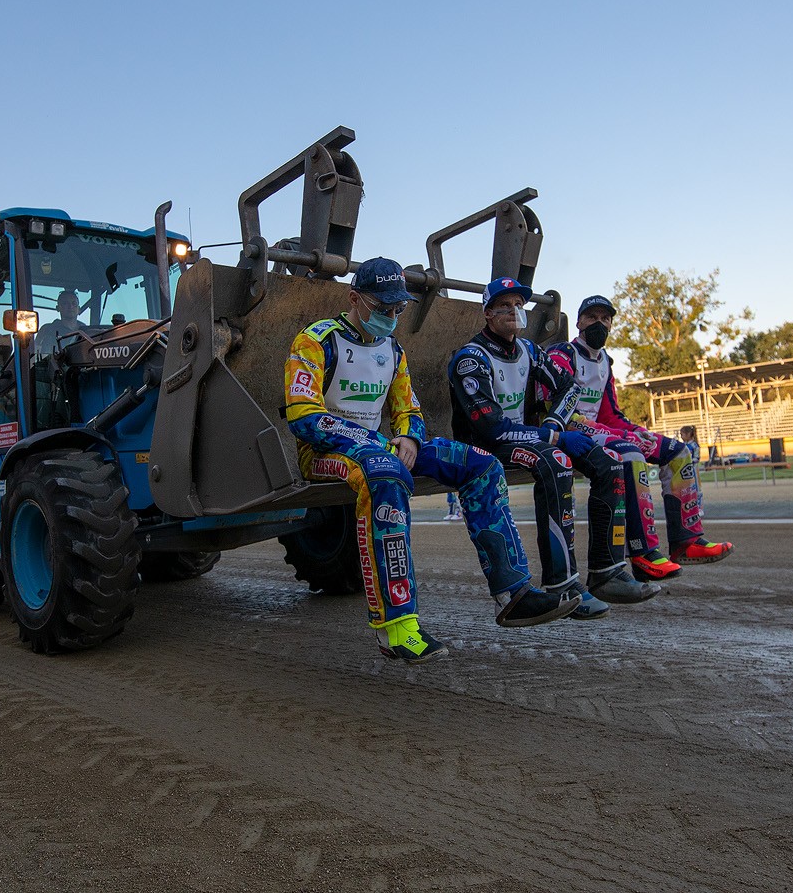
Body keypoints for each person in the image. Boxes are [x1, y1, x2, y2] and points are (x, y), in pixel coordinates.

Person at [283, 257, 578, 663]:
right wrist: (376, 444)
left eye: (397, 308)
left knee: (482, 465)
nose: (391, 315)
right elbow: (303, 415)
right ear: (354, 298)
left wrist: (408, 436)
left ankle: (514, 592)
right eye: (382, 307)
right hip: (323, 454)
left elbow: (409, 408)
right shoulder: (316, 340)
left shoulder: (394, 350)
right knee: (386, 475)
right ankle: (397, 627)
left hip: (383, 447)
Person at [448, 277, 658, 612]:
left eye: (518, 304)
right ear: (487, 313)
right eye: (504, 306)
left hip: (531, 436)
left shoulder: (529, 350)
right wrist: (553, 436)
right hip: (485, 446)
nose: (513, 311)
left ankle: (608, 571)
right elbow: (492, 430)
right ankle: (563, 583)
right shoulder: (471, 358)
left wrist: (552, 423)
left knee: (609, 461)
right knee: (556, 460)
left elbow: (569, 387)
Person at [546, 295, 733, 574]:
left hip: (601, 430)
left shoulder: (605, 361)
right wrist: (622, 436)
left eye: (605, 319)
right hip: (568, 426)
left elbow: (610, 413)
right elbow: (556, 406)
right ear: (579, 322)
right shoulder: (563, 353)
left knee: (678, 451)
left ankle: (687, 540)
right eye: (592, 317)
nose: (599, 323)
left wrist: (638, 431)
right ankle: (644, 552)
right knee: (631, 453)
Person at [34, 290, 89, 357]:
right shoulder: (47, 330)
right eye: (65, 303)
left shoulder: (86, 331)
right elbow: (36, 353)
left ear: (79, 309)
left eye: (74, 303)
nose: (70, 307)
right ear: (58, 308)